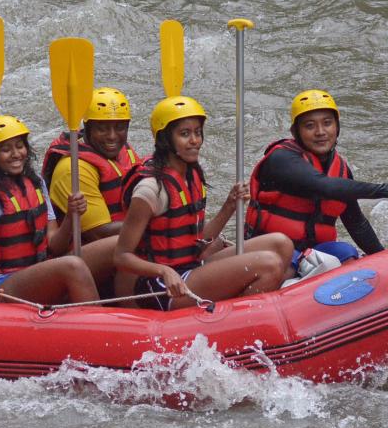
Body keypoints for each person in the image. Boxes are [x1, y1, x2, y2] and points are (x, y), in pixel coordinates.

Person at [115, 96, 293, 310]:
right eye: (185, 134)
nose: (194, 140)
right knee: (269, 265)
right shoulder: (150, 189)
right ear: (164, 139)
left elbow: (198, 240)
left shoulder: (192, 176)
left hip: (191, 266)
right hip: (161, 285)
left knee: (282, 244)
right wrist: (162, 271)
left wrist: (229, 205)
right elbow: (121, 256)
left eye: (197, 132)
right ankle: (238, 319)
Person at [245, 89, 388, 263]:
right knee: (296, 264)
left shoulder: (341, 169)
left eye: (327, 123)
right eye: (309, 126)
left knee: (346, 253)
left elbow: (356, 224)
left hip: (310, 252)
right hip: (269, 250)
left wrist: (385, 258)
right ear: (295, 132)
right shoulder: (282, 159)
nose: (320, 132)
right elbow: (325, 187)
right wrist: (385, 189)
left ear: (337, 127)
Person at [0, 115, 99, 305]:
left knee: (112, 246)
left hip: (36, 271)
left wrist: (71, 216)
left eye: (20, 146)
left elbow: (55, 246)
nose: (16, 154)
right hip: (2, 286)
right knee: (73, 266)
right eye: (6, 149)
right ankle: (98, 326)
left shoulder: (35, 183)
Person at [42, 86, 141, 242]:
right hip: (85, 252)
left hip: (125, 239)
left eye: (120, 128)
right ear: (87, 129)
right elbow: (98, 234)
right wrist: (153, 223)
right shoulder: (73, 169)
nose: (112, 136)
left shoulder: (124, 151)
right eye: (102, 129)